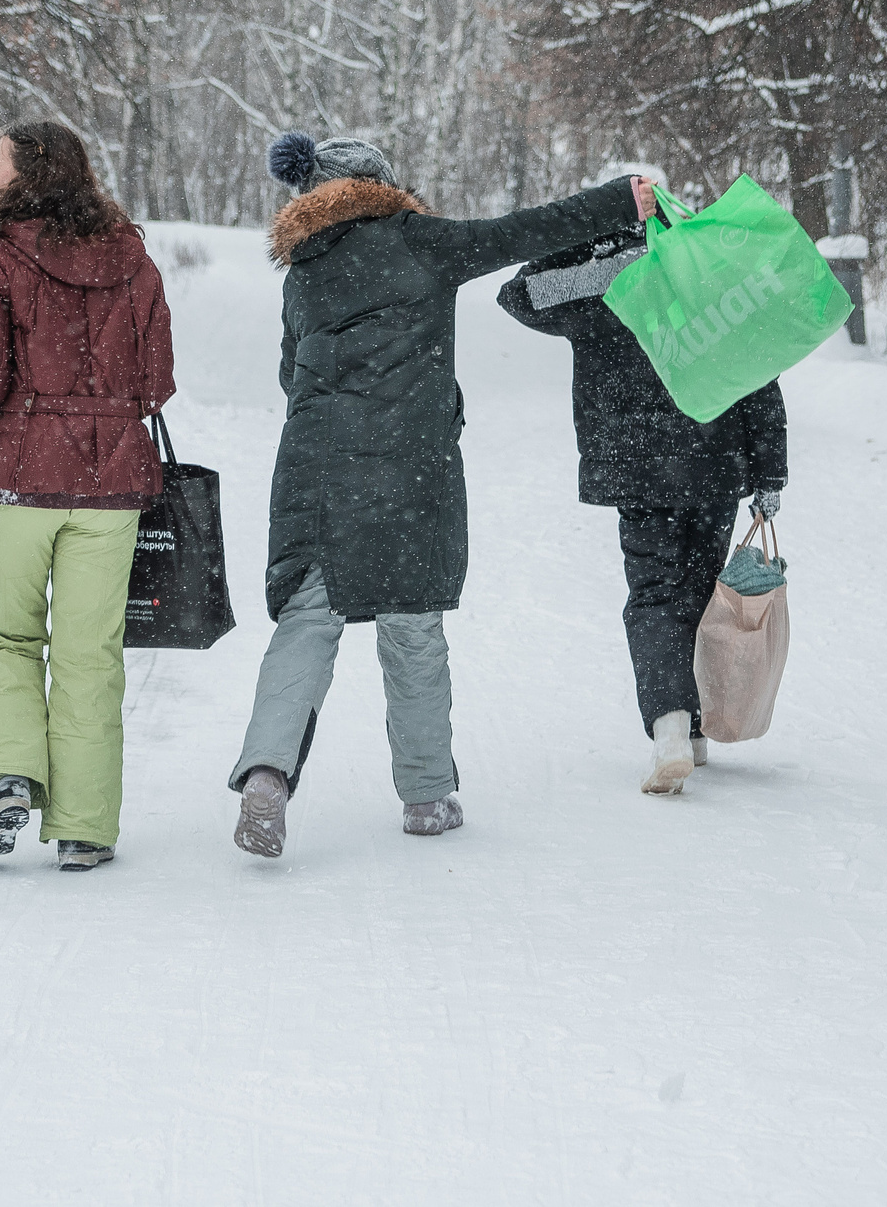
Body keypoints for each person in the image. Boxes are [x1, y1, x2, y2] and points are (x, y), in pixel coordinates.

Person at [229, 131, 657, 857]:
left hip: (316, 470)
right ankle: (427, 796)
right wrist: (620, 199)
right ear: (381, 185)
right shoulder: (420, 242)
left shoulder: (302, 273)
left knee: (308, 620)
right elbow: (526, 229)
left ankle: (268, 774)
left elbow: (290, 378)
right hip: (407, 469)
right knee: (412, 626)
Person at [0, 120, 173, 872]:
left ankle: (4, 779)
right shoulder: (134, 261)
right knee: (90, 655)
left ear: (26, 174)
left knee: (6, 637)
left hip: (17, 481)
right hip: (111, 489)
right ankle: (86, 826)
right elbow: (157, 384)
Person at [495, 184, 786, 795]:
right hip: (716, 459)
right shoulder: (711, 265)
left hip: (637, 466)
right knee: (705, 591)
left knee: (654, 593)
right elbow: (758, 371)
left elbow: (521, 293)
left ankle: (672, 728)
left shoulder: (602, 276)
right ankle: (696, 730)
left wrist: (598, 237)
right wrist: (769, 474)